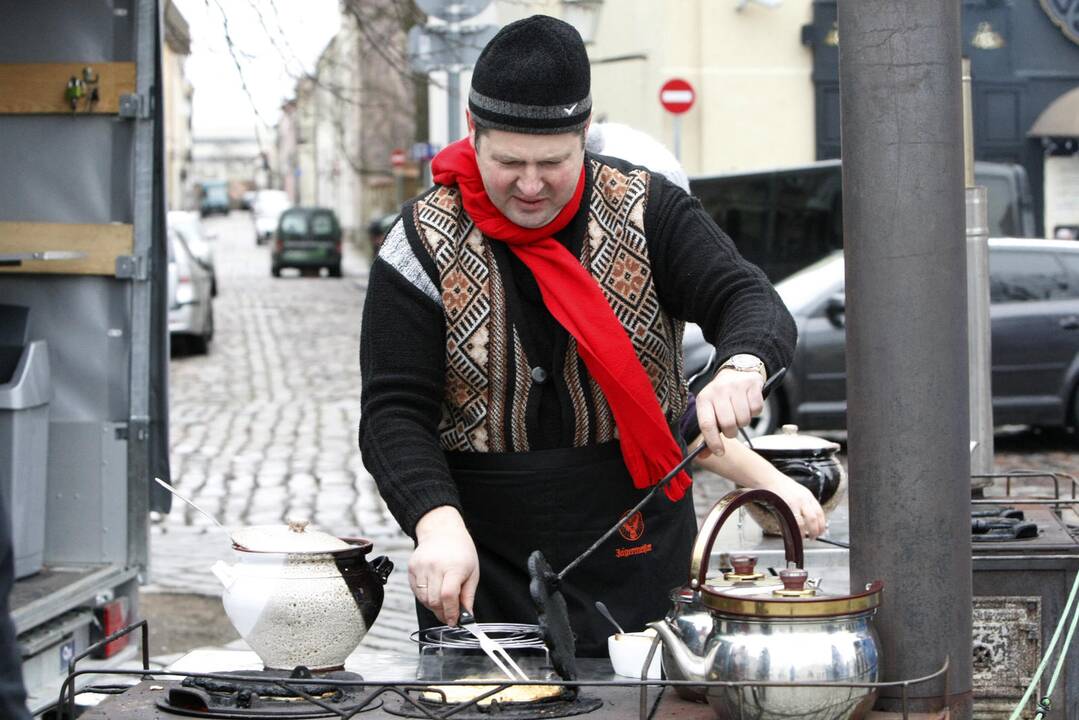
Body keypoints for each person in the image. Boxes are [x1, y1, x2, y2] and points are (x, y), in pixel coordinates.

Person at [359, 15, 798, 656]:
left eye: (553, 162)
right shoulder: (420, 242)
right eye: (508, 162)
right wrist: (435, 520)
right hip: (481, 552)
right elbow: (393, 411)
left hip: (637, 542)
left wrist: (742, 365)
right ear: (473, 134)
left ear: (583, 135)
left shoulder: (650, 211)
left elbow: (748, 298)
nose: (530, 185)